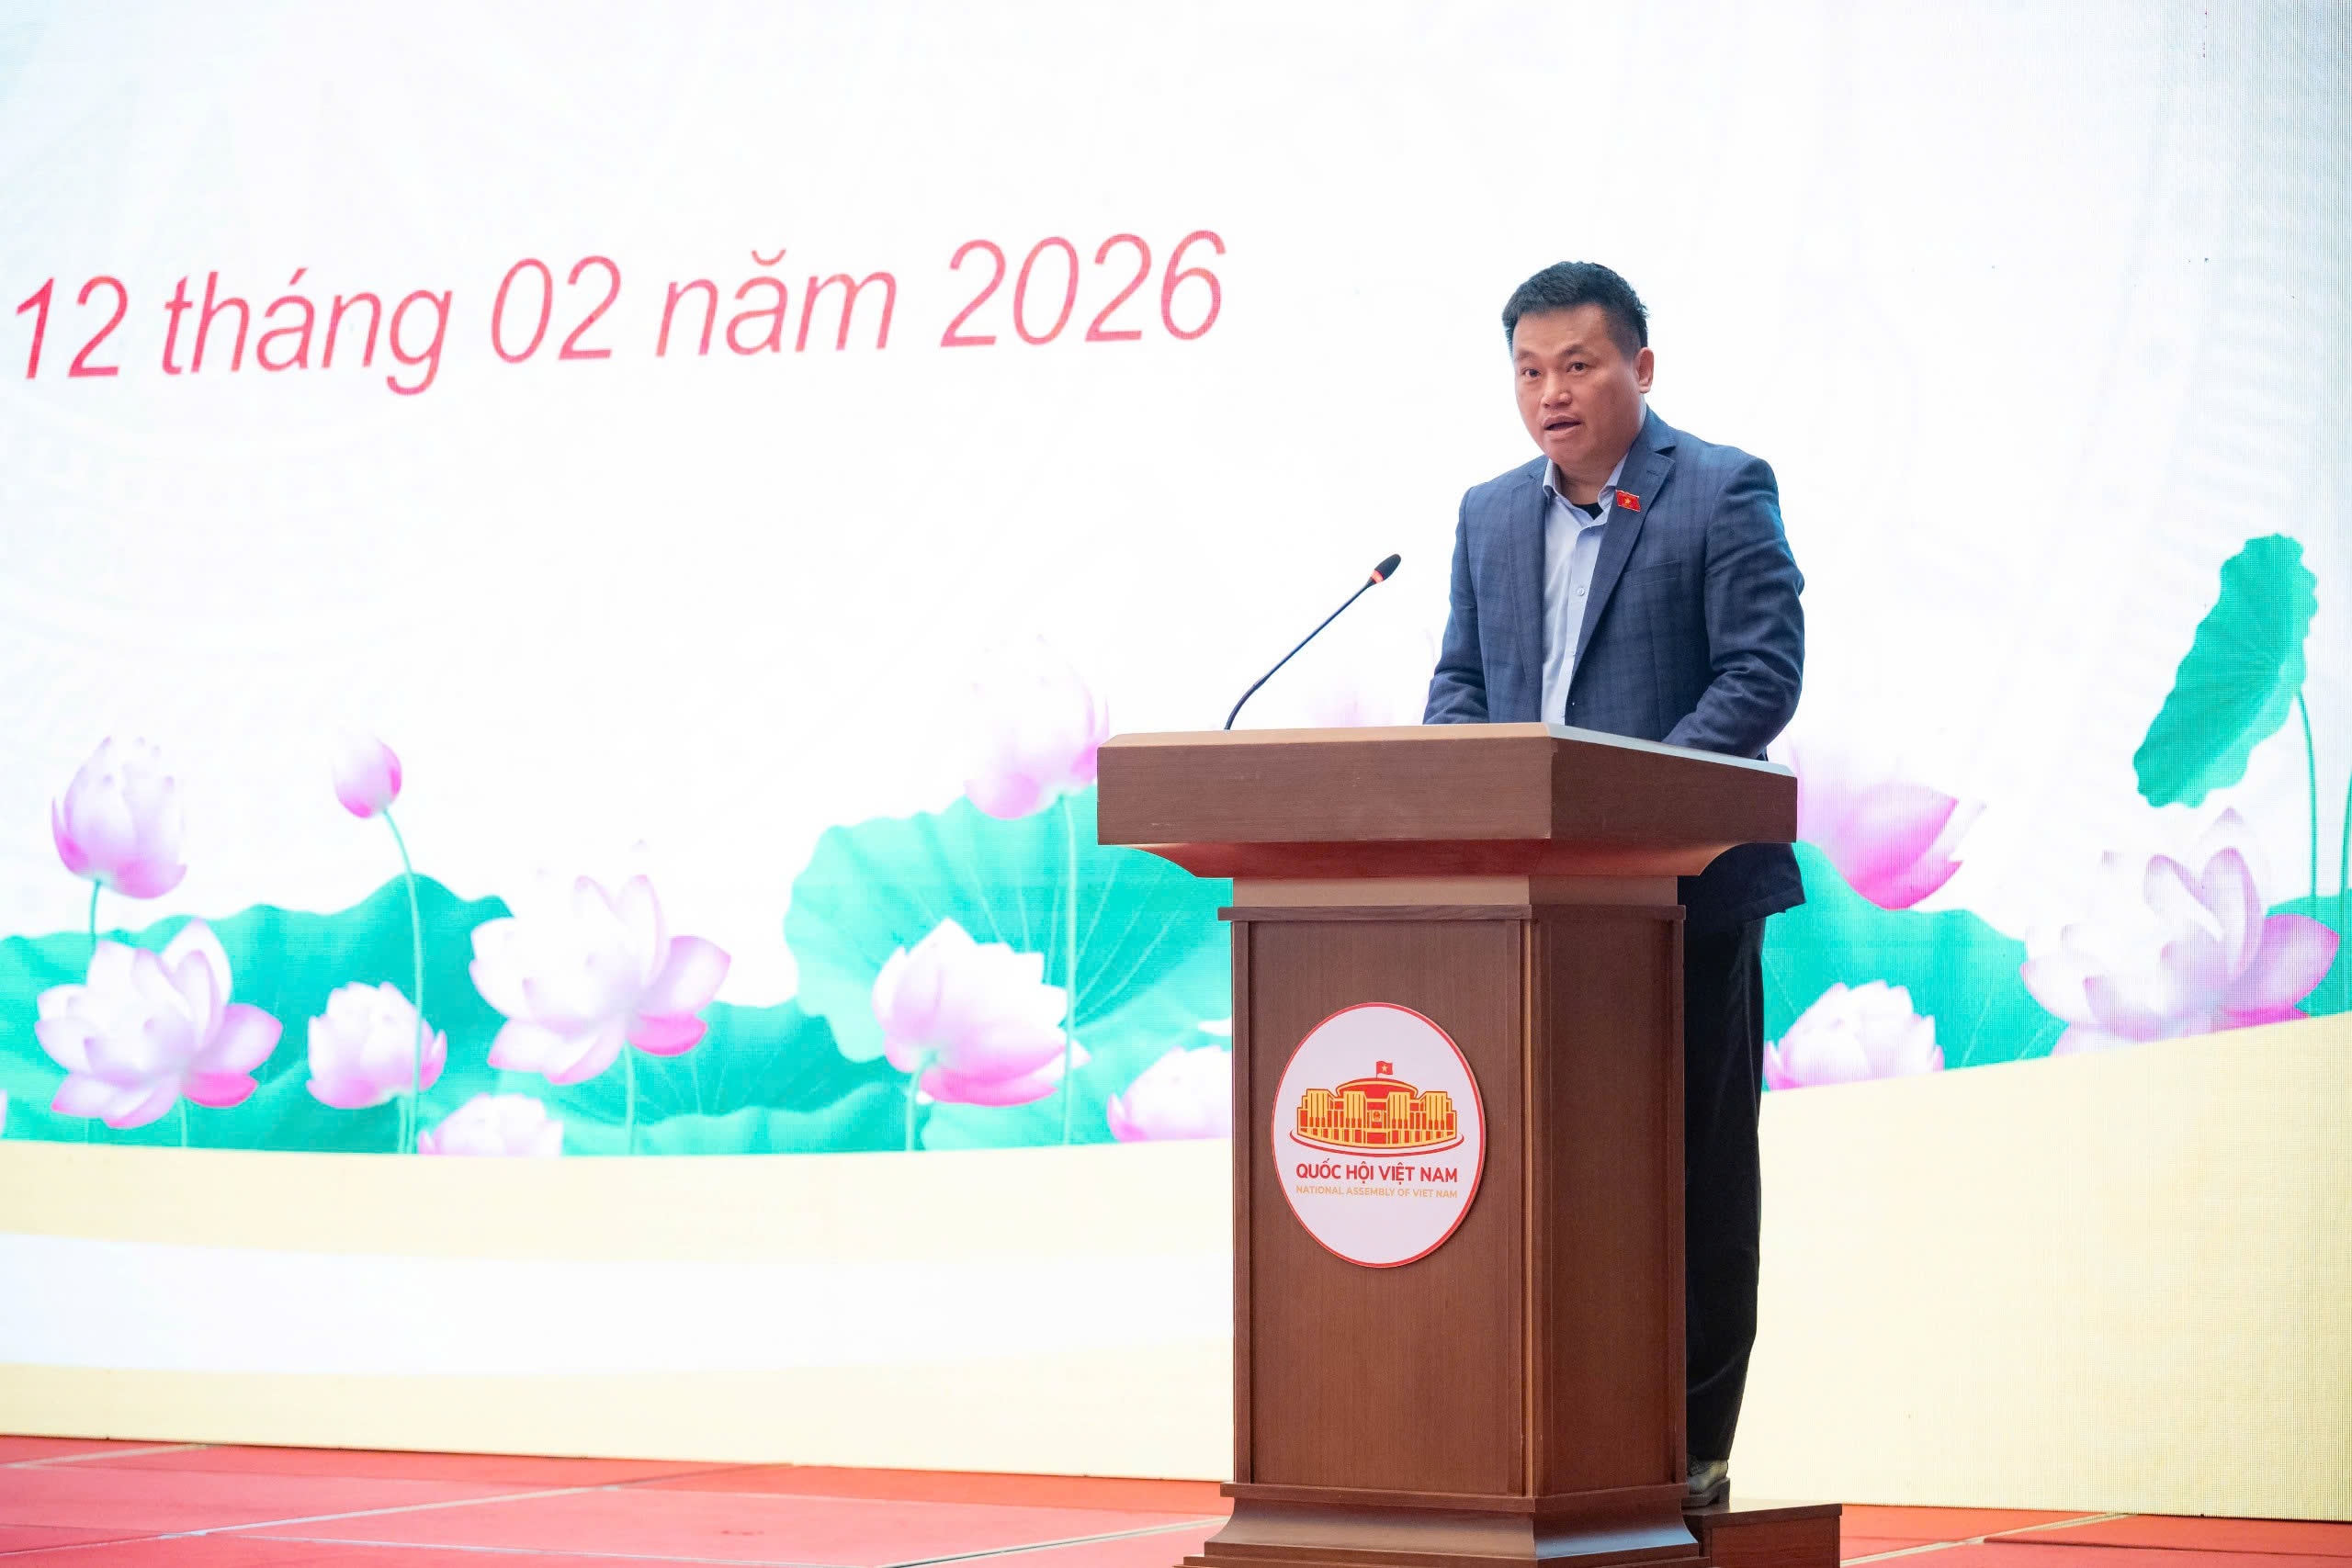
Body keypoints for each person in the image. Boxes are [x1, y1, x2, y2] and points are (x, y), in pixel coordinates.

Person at [1423, 261, 1804, 1509]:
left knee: (1693, 1180)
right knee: (1538, 1180)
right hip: (1529, 914)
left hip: (1682, 905)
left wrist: (1625, 807)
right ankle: (1546, 1440)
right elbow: (1462, 684)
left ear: (1640, 367)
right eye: (1530, 371)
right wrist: (1467, 790)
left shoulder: (1721, 490)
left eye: (1578, 366)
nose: (1553, 393)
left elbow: (1760, 676)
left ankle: (1692, 1450)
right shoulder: (1489, 514)